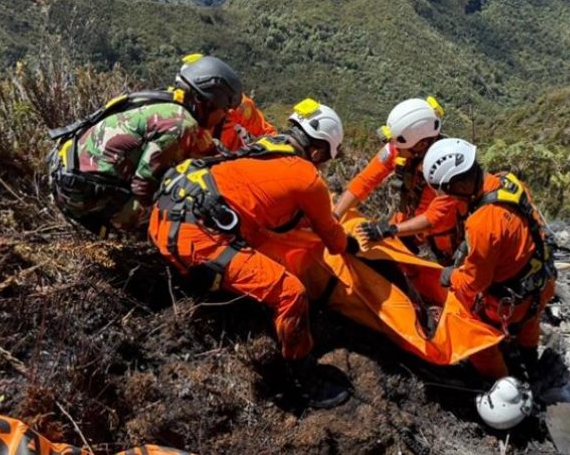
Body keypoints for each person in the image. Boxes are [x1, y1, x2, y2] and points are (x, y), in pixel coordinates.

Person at [149, 98, 358, 408]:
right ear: (317, 152)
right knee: (291, 293)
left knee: (259, 245)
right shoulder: (307, 178)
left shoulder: (264, 146)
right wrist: (349, 243)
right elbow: (335, 242)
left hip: (167, 216)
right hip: (193, 240)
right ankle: (303, 376)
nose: (322, 164)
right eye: (325, 157)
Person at [48, 54, 274, 236]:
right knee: (185, 214)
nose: (224, 116)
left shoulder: (165, 101)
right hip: (81, 196)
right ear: (204, 102)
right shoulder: (181, 124)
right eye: (223, 110)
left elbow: (204, 147)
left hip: (68, 174)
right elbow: (143, 189)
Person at [421, 138, 556, 378]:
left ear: (459, 184)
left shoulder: (481, 224)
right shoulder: (508, 181)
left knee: (465, 321)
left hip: (511, 303)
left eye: (448, 191)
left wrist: (450, 276)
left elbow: (474, 283)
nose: (450, 197)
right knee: (529, 321)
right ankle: (530, 360)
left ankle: (499, 383)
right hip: (541, 283)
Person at [332, 97, 465, 264]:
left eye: (401, 147)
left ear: (421, 145)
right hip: (406, 221)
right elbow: (365, 180)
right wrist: (335, 216)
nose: (396, 150)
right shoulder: (401, 147)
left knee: (447, 274)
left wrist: (391, 230)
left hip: (443, 235)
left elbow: (434, 218)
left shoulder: (450, 169)